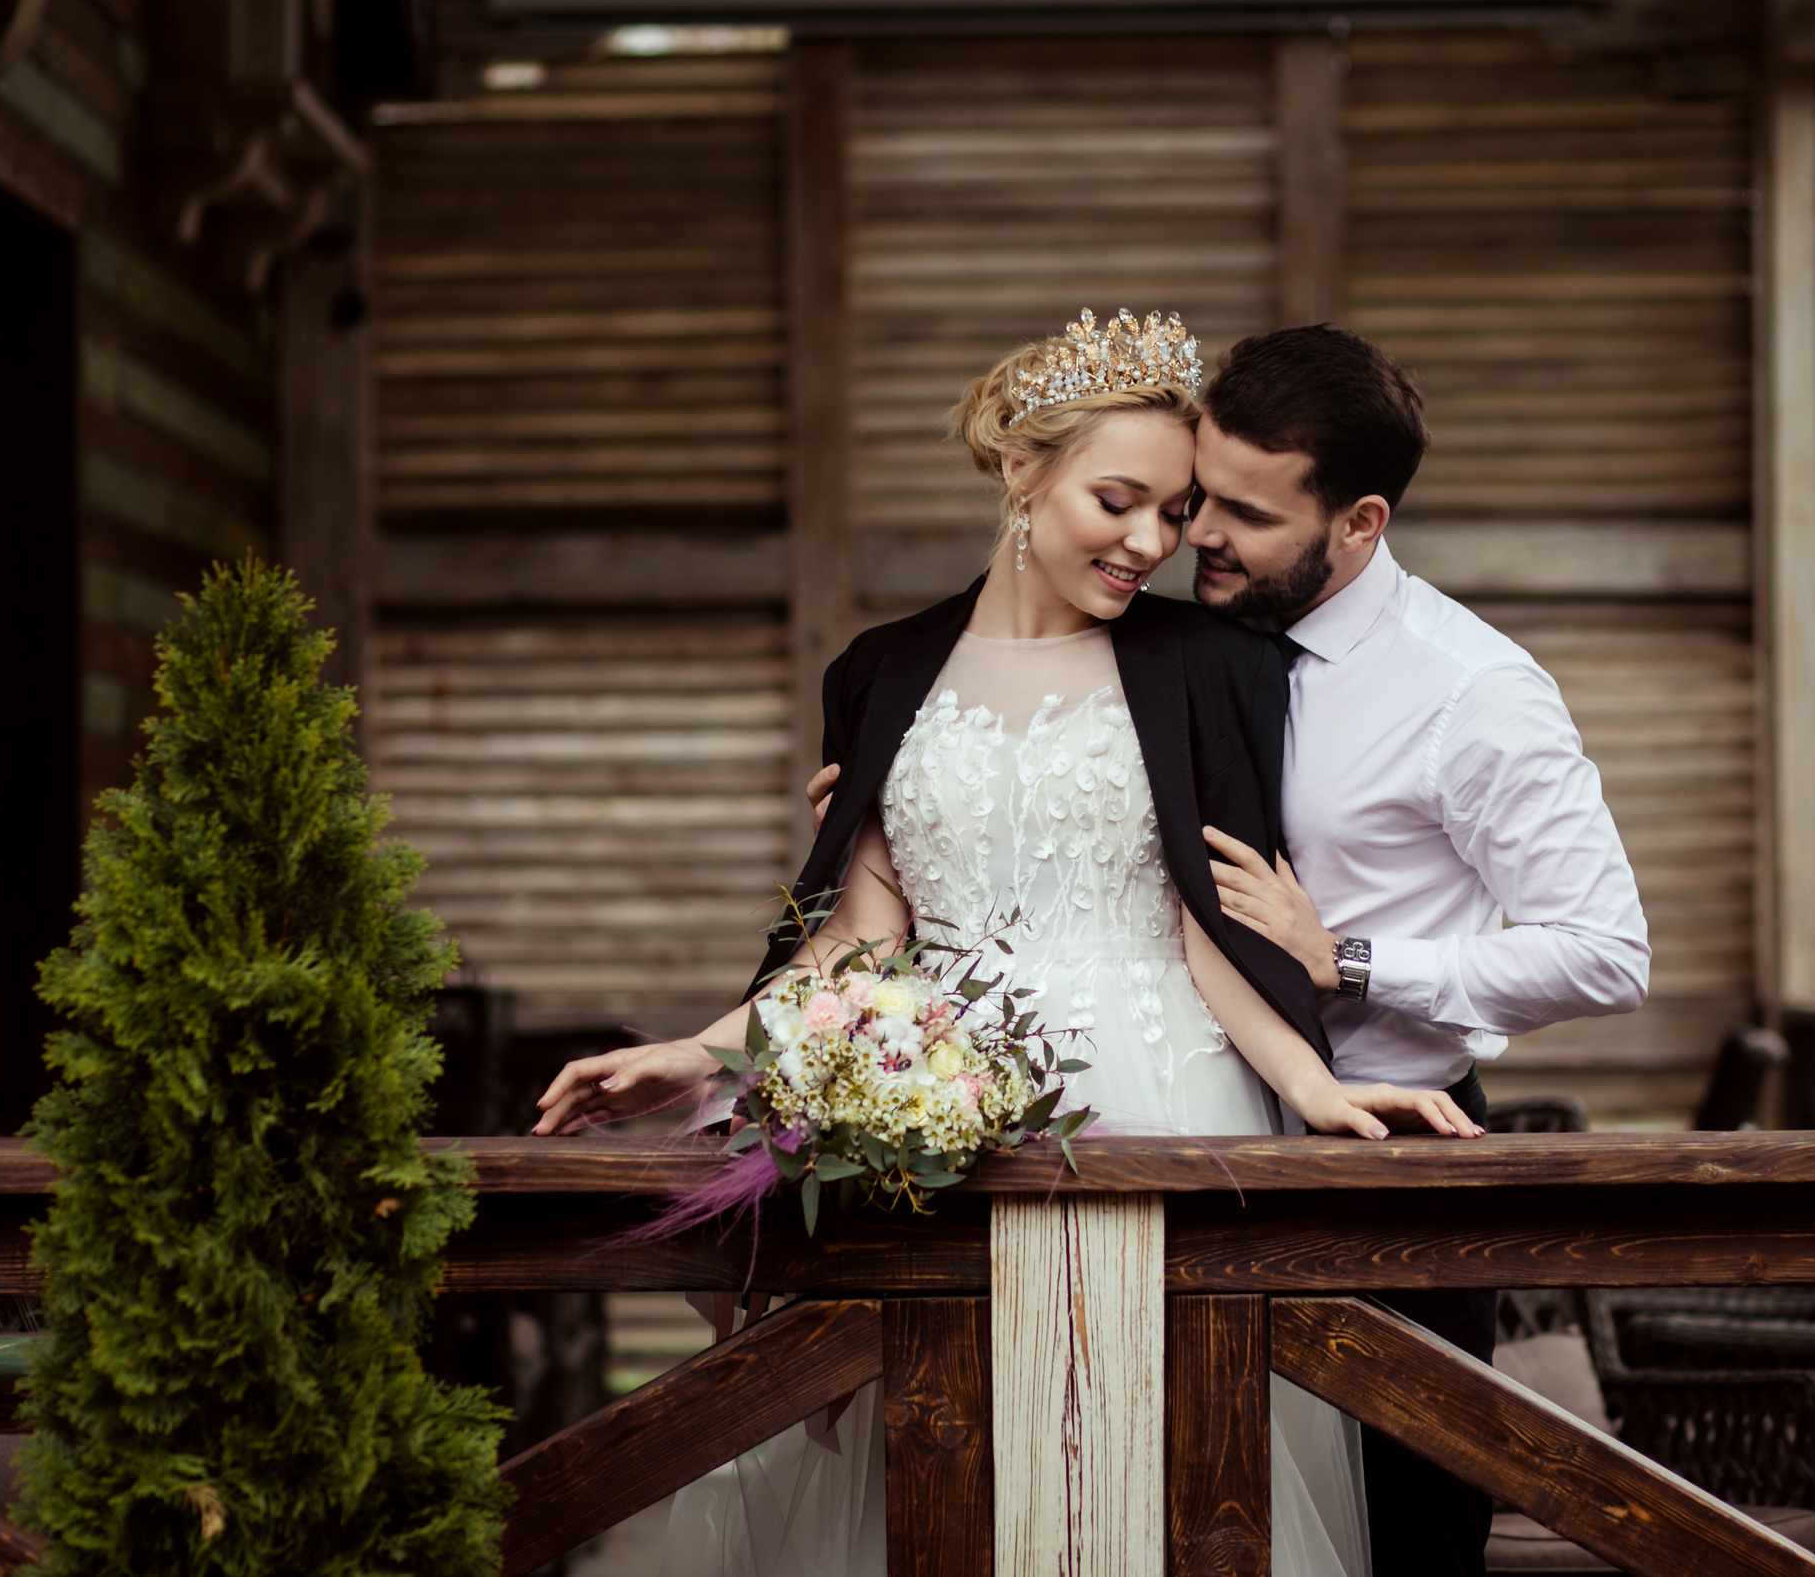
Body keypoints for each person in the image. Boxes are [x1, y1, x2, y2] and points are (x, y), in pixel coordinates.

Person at [531, 309, 1480, 1577]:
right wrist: (701, 1054)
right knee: (941, 1457)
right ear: (1018, 471)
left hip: (1163, 1097)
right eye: (1119, 500)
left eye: (1176, 508)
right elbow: (862, 936)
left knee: (1165, 1479)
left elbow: (1206, 920)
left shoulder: (1208, 663)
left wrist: (1315, 1090)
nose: (1154, 541)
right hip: (942, 1107)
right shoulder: (879, 672)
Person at [1185, 324, 1652, 1577]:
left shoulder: (1473, 692)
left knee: (1404, 1541)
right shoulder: (1172, 641)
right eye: (1197, 494)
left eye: (1243, 511)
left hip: (1395, 1188)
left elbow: (1607, 951)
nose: (1197, 534)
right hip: (1179, 1164)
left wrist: (1354, 962)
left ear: (1360, 522)